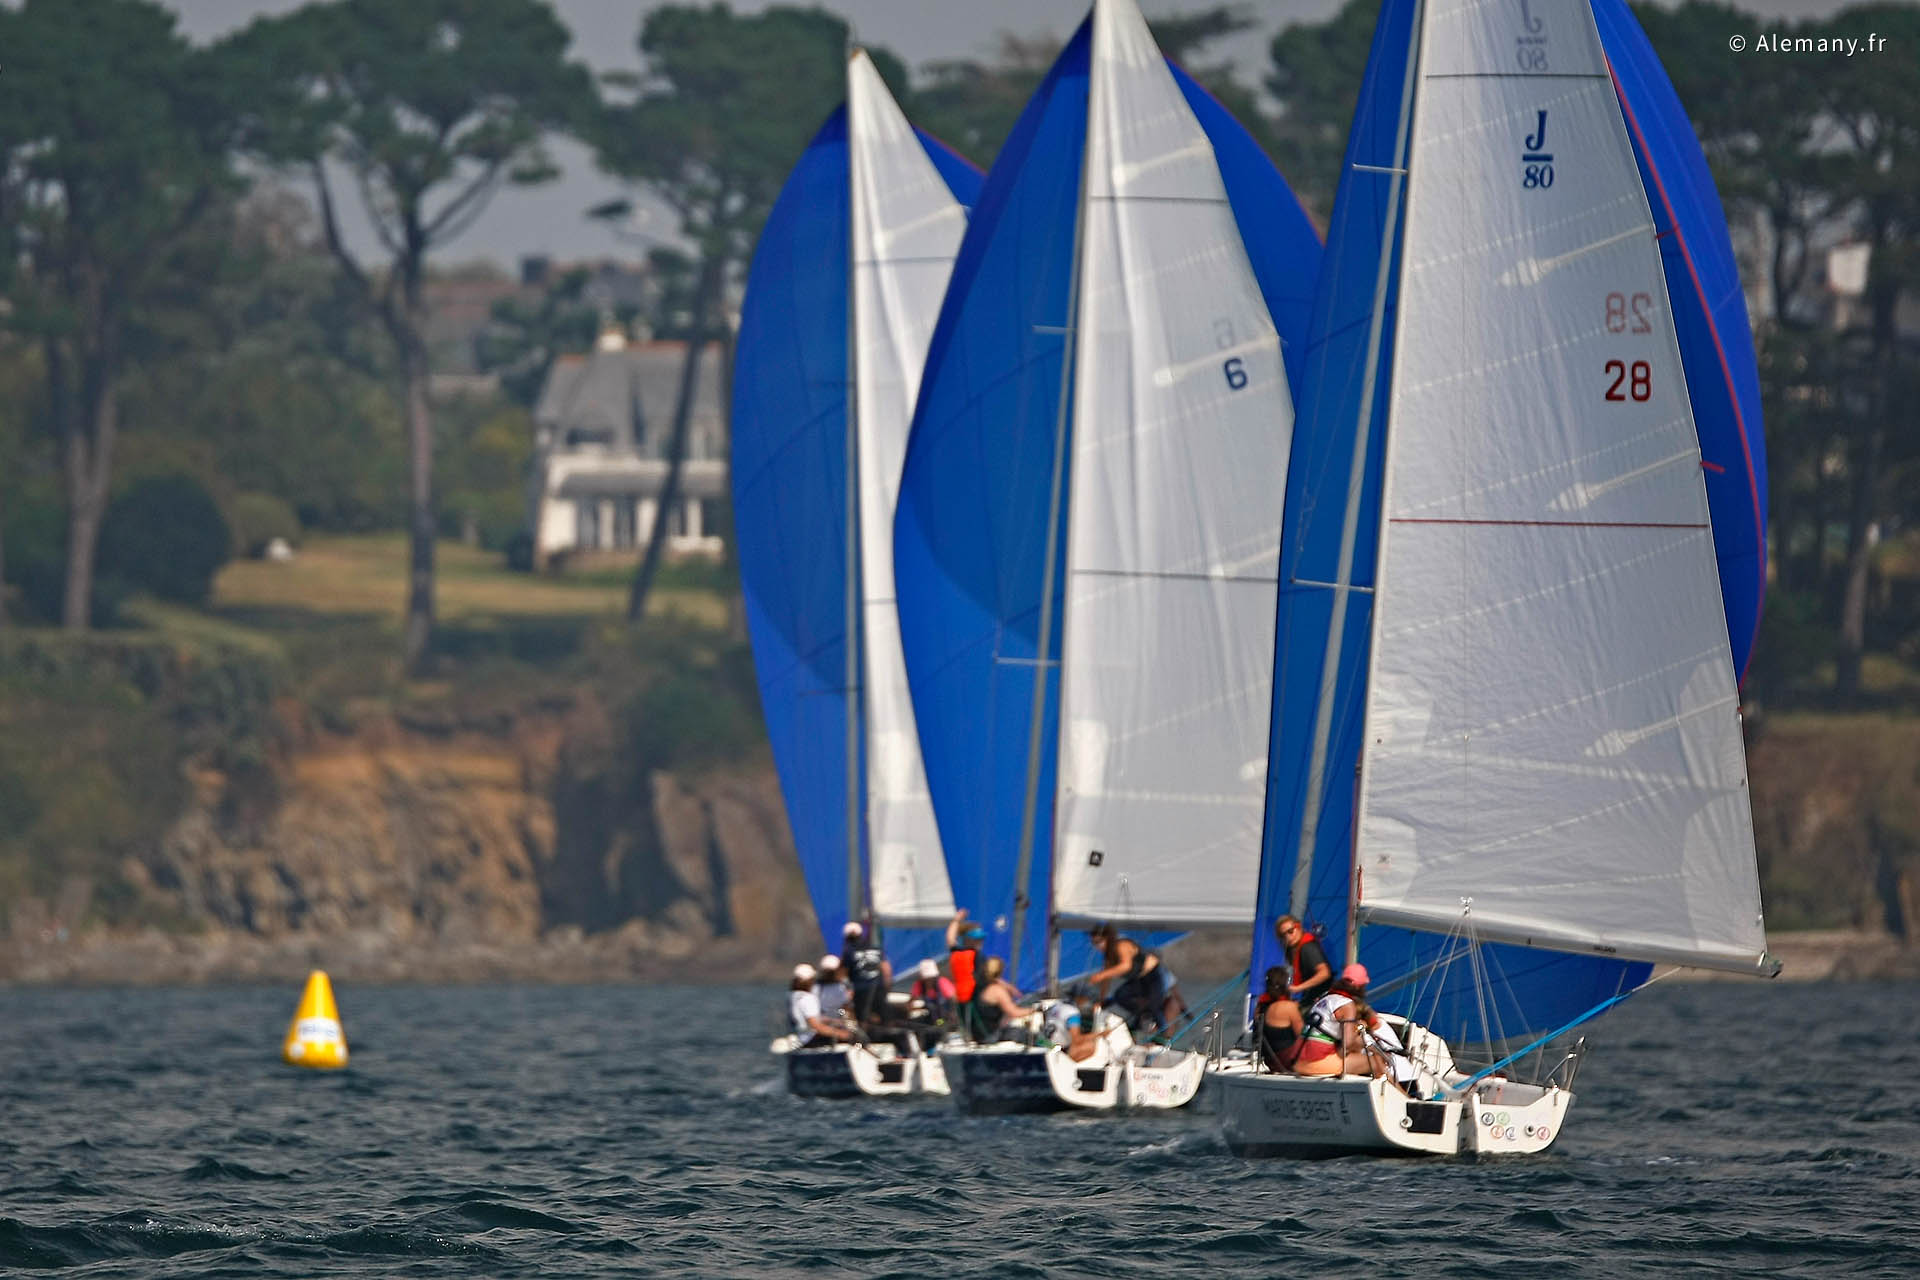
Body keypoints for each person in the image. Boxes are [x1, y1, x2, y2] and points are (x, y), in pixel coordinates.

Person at [1086, 923, 1186, 1036]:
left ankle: (1164, 1035)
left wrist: (1102, 975)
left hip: (1153, 976)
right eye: (1094, 943)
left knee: (1154, 1006)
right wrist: (1102, 999)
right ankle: (1142, 1015)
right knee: (1120, 996)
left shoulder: (1121, 945)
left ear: (1108, 938)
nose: (1097, 946)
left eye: (1099, 942)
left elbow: (1126, 965)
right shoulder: (1108, 957)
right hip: (1139, 980)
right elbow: (1106, 981)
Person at [1295, 963, 1369, 1077]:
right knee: (1377, 1062)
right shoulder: (1346, 1004)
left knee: (1357, 1048)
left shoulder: (1324, 998)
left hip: (1299, 1060)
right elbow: (1347, 1044)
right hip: (1317, 1062)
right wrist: (1359, 1029)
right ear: (1359, 987)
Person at [967, 956, 1035, 1041]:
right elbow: (1014, 1012)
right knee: (1026, 1034)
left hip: (977, 1034)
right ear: (1001, 972)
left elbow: (997, 981)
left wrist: (1008, 987)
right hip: (991, 1036)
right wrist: (1034, 1010)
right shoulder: (997, 991)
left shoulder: (979, 987)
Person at [1252, 966, 1305, 1074]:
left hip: (1269, 1060)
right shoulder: (1289, 1007)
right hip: (1288, 1061)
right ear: (1286, 985)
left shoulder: (1260, 1006)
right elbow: (1302, 1035)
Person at [787, 963, 853, 1048]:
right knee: (851, 1038)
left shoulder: (793, 996)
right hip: (810, 1040)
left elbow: (809, 1019)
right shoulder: (808, 998)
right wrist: (840, 1034)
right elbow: (815, 1026)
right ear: (809, 981)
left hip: (801, 1037)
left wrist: (834, 1021)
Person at [841, 920, 893, 1026]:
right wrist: (887, 986)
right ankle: (887, 1031)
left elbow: (843, 973)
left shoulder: (848, 951)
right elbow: (886, 969)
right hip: (878, 987)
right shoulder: (876, 948)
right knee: (883, 1016)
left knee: (862, 1019)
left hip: (861, 990)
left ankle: (866, 1034)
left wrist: (846, 989)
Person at [1276, 915, 1332, 1011]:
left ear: (1299, 927)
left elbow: (1324, 973)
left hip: (1321, 1002)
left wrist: (1298, 988)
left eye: (1290, 931)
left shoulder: (1307, 948)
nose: (1288, 937)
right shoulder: (1294, 950)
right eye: (1283, 935)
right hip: (1312, 999)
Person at [946, 909, 986, 1005]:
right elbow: (987, 977)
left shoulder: (957, 952)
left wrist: (956, 920)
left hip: (961, 1000)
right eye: (977, 938)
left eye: (981, 938)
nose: (980, 941)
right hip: (975, 1000)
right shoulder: (976, 956)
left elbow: (950, 939)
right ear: (967, 939)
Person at [907, 958, 956, 1026]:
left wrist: (952, 1014)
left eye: (931, 978)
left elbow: (954, 999)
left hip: (946, 1017)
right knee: (915, 1023)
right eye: (926, 979)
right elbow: (910, 1002)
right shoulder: (919, 985)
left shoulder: (942, 983)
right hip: (932, 1017)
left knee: (939, 1023)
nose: (929, 981)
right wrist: (911, 1009)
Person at [814, 953, 851, 1021]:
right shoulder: (816, 988)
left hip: (838, 1021)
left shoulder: (842, 987)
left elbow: (844, 1009)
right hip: (822, 1022)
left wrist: (844, 1019)